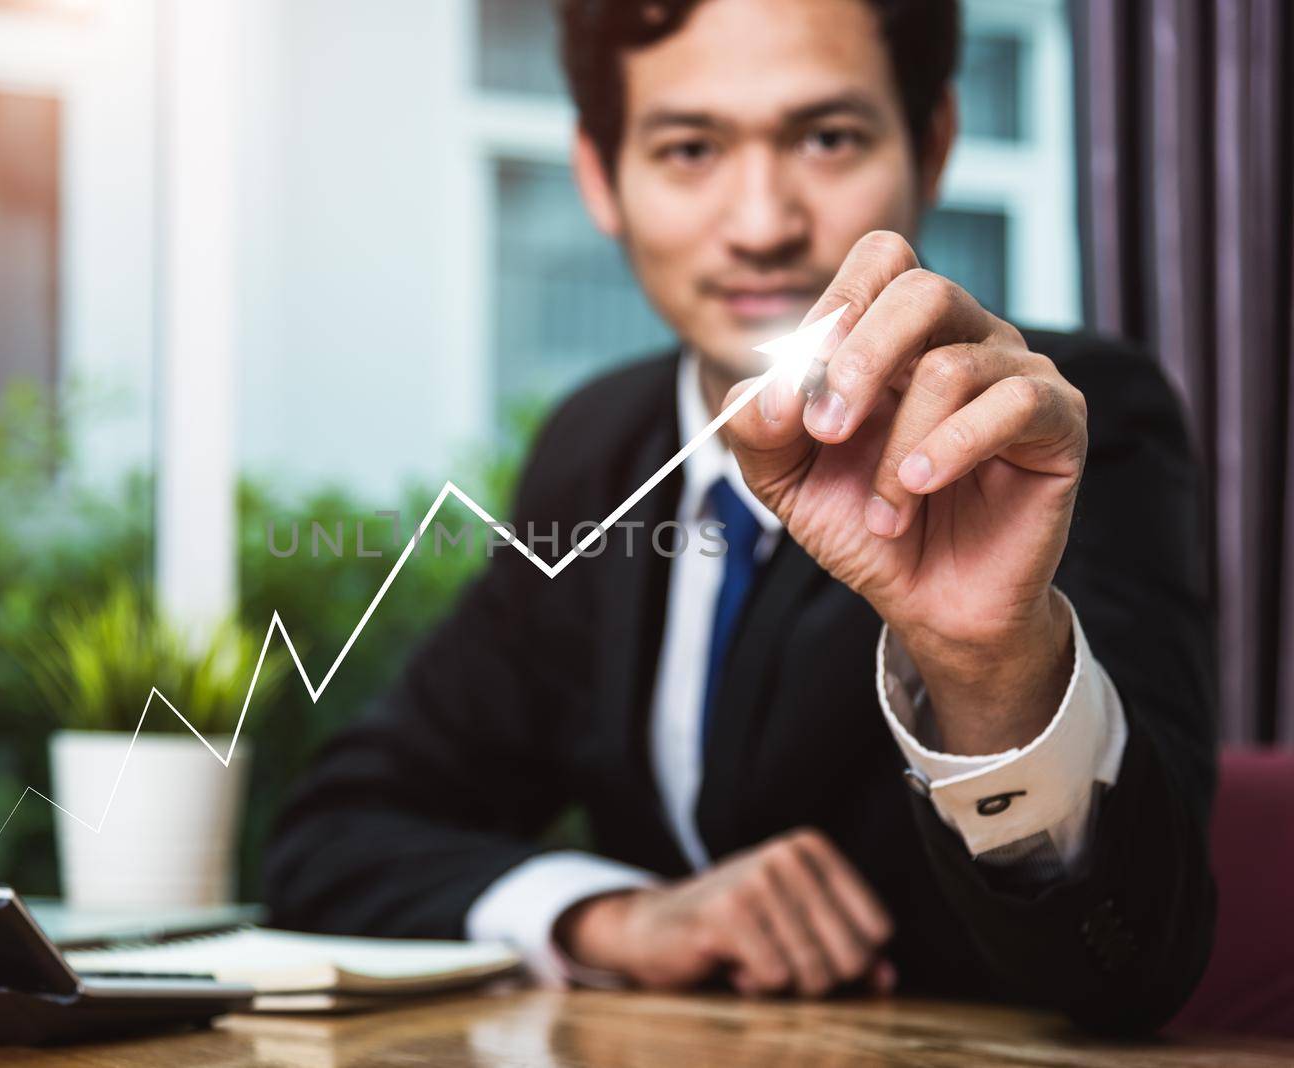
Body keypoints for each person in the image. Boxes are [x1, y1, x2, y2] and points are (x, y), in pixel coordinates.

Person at [265, 0, 1215, 1033]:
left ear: (931, 144)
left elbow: (1134, 963)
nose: (761, 224)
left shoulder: (1046, 434)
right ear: (598, 174)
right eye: (688, 148)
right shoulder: (597, 450)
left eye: (827, 138)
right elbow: (336, 834)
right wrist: (608, 916)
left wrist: (991, 665)